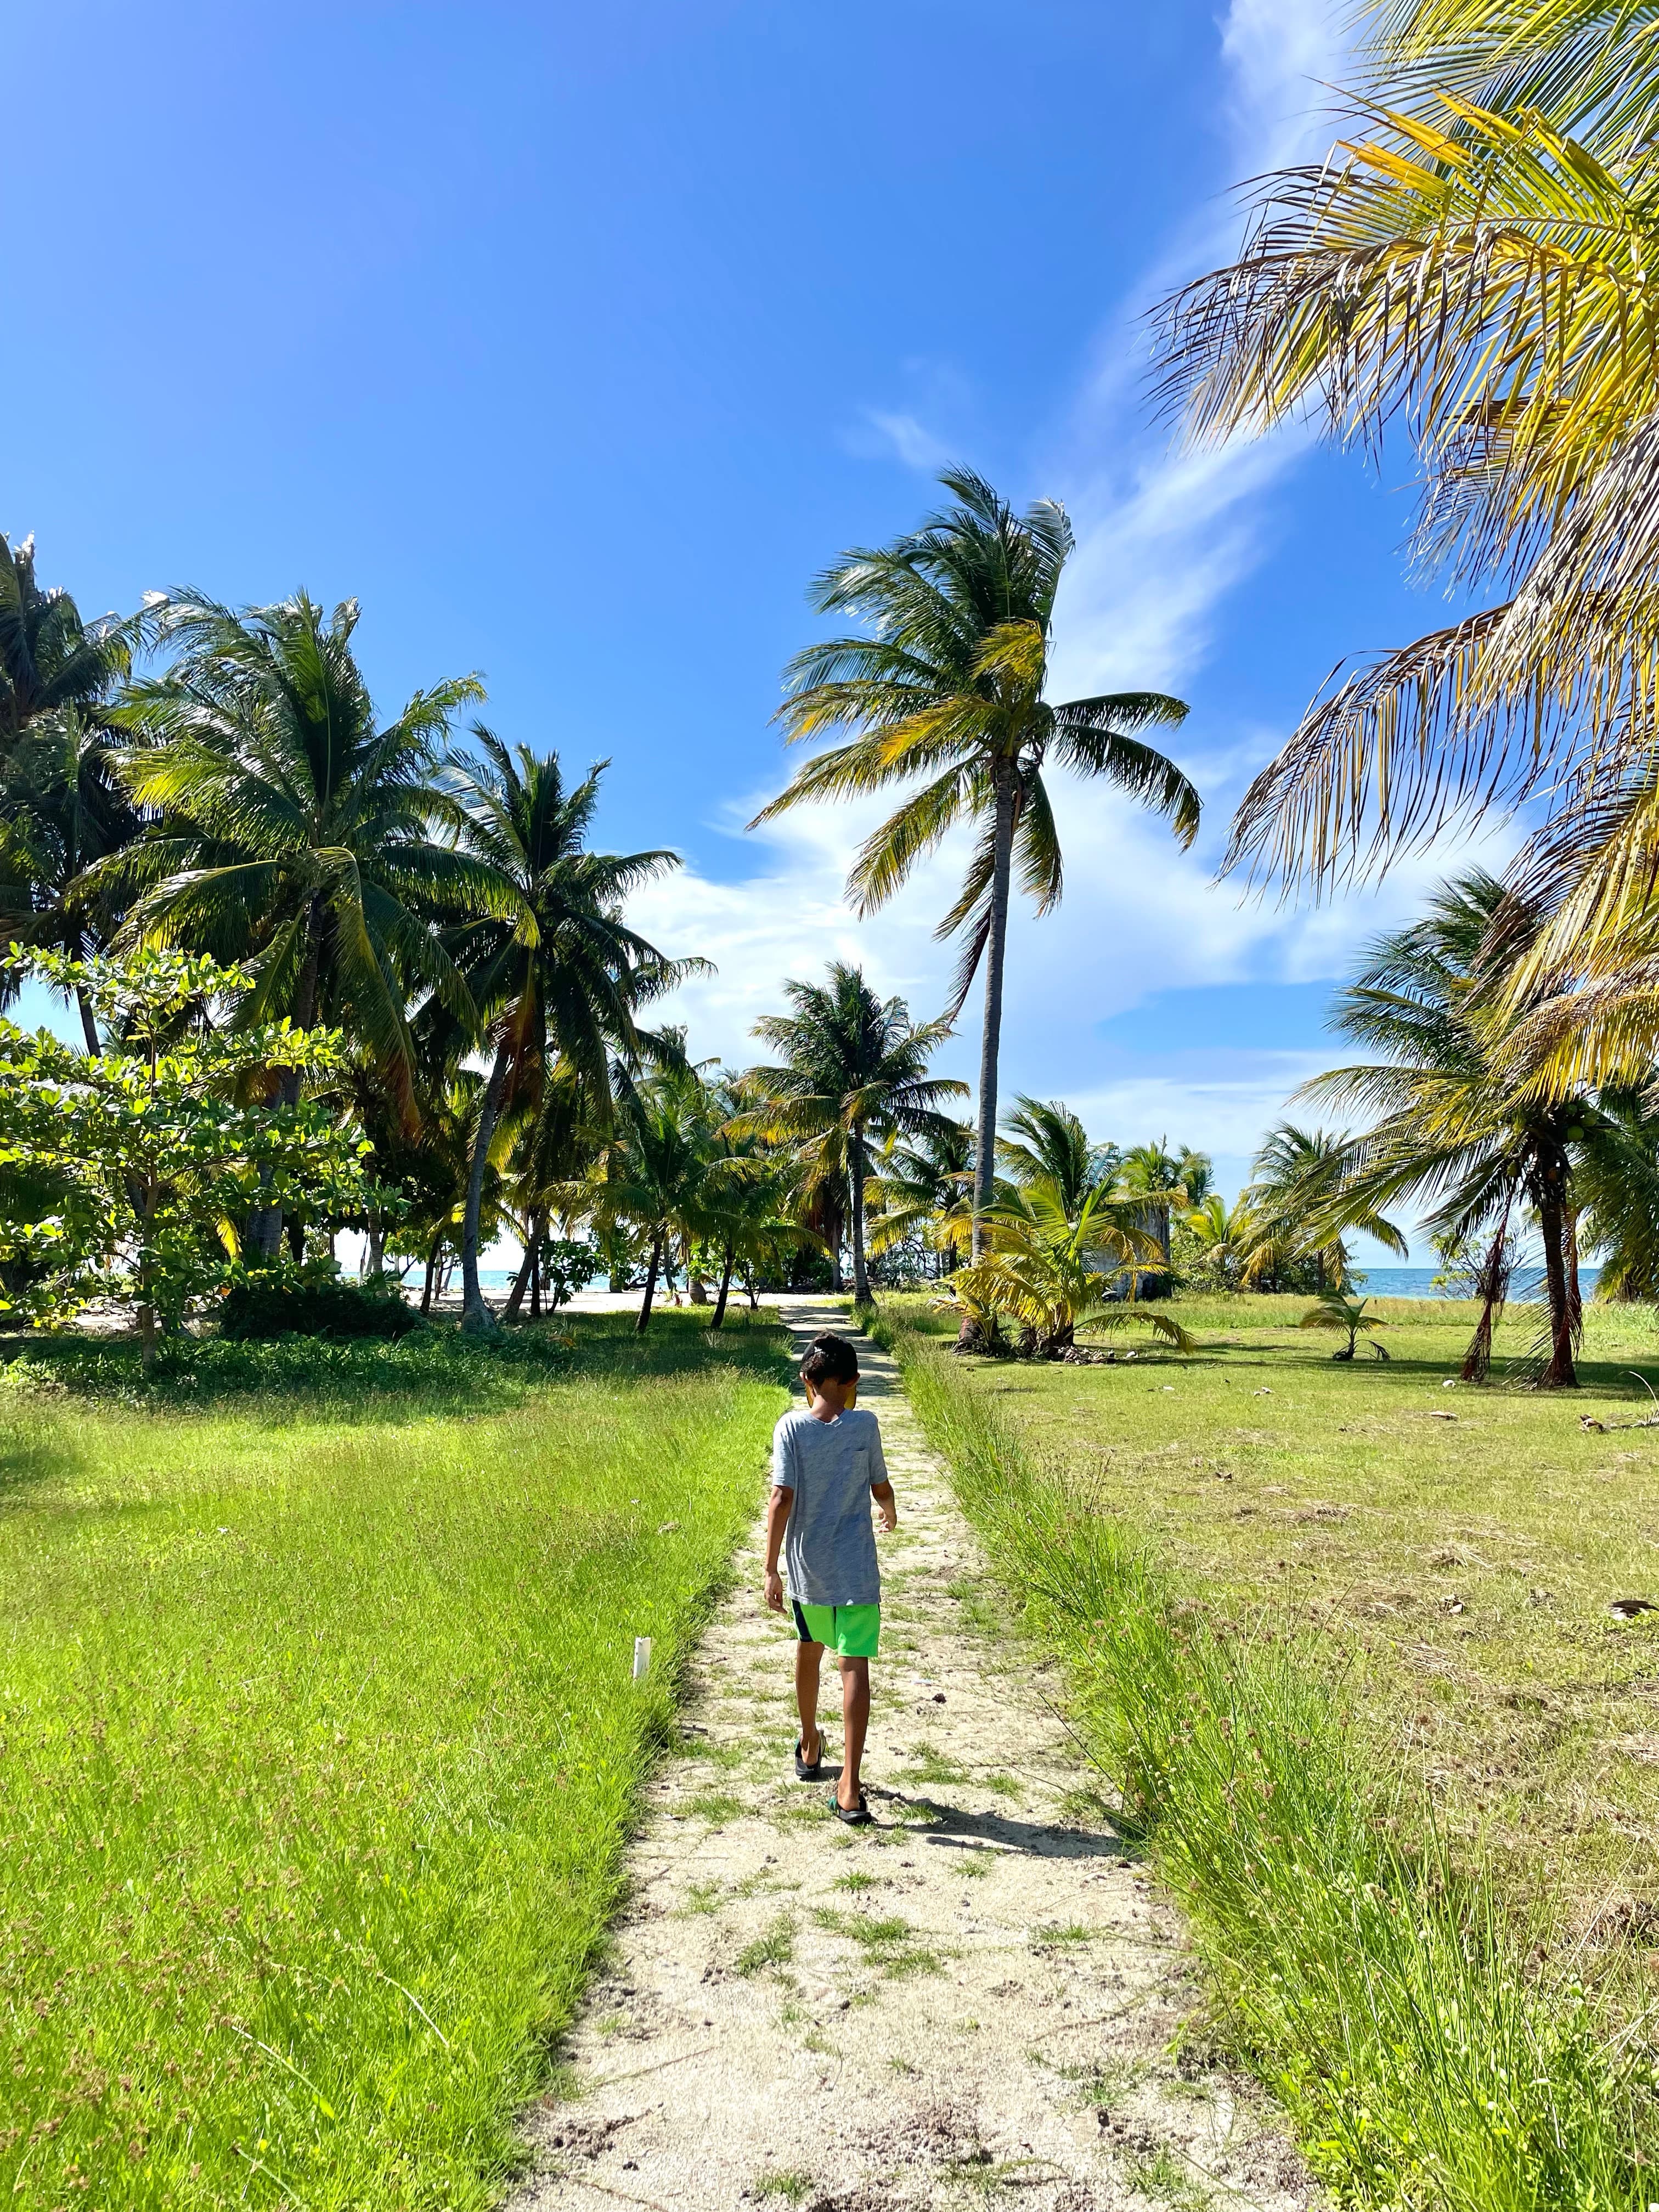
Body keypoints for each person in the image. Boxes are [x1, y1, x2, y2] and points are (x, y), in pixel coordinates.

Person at [763, 1331, 897, 1824]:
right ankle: (850, 1786)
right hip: (857, 1570)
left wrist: (770, 1567)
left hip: (808, 1570)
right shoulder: (865, 1426)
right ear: (854, 1382)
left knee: (809, 1648)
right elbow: (879, 1484)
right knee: (854, 1664)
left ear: (807, 1380)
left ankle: (811, 1742)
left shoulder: (791, 1429)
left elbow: (781, 1498)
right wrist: (889, 1509)